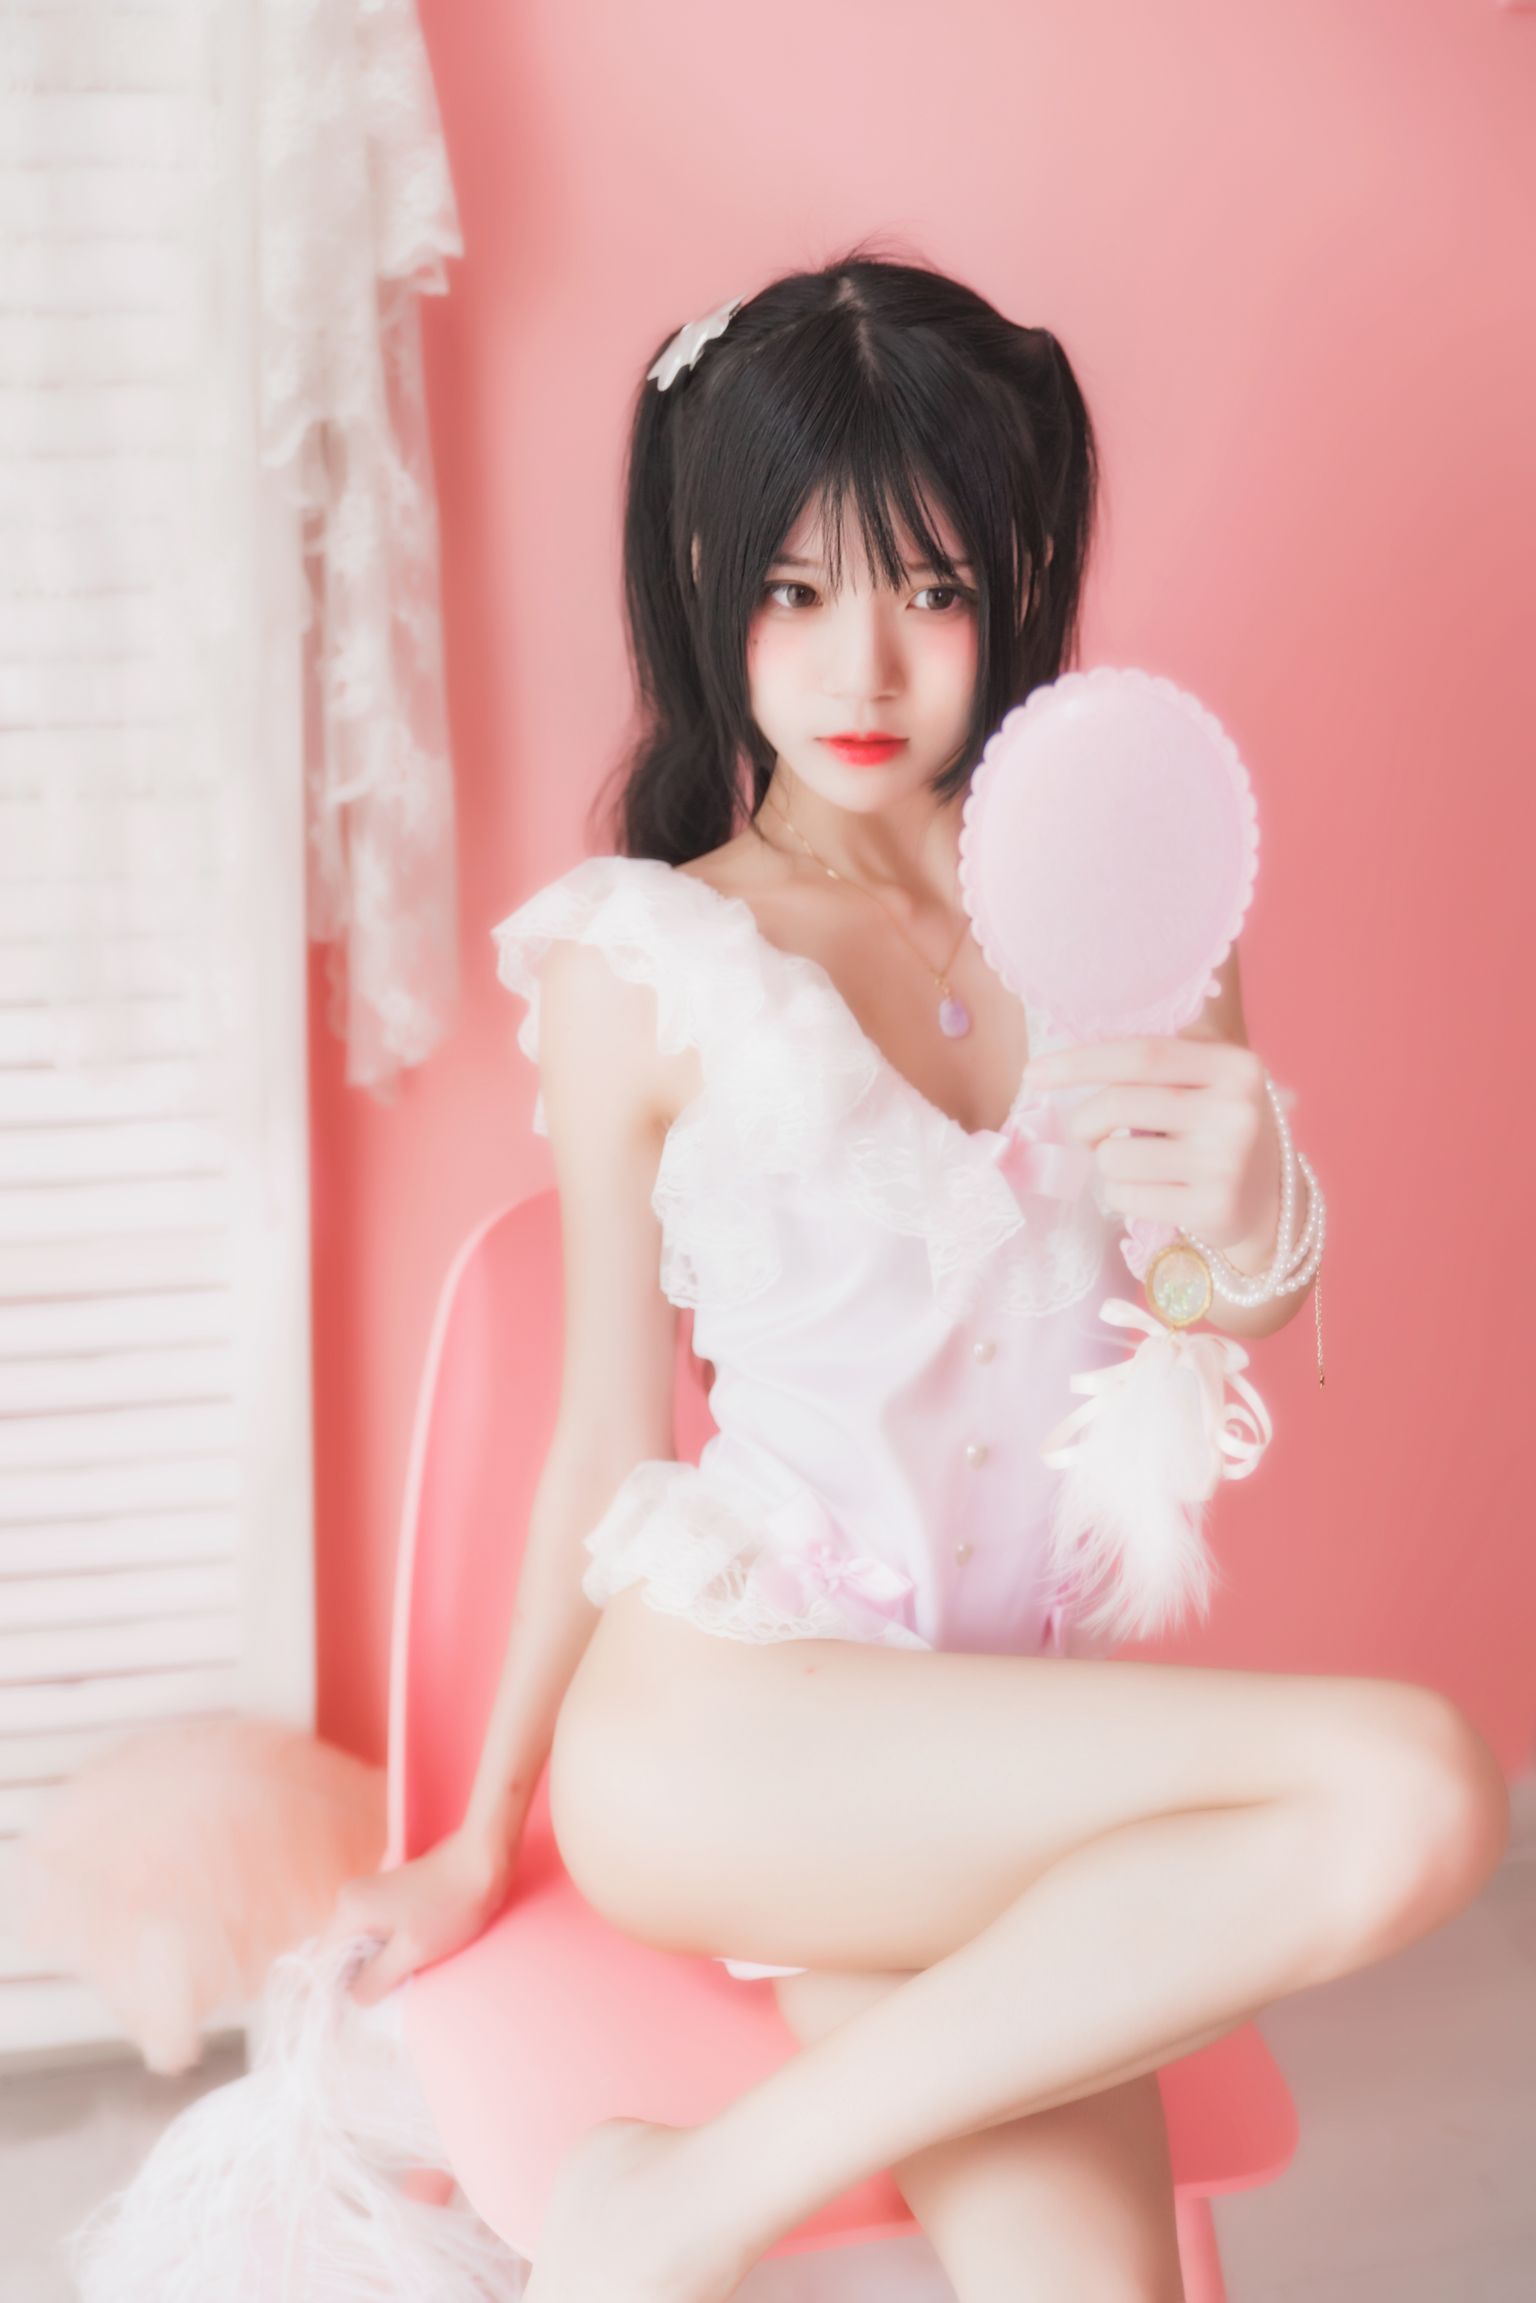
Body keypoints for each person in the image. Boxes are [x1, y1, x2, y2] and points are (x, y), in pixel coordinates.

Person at [330, 248, 1510, 2303]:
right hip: (730, 1738)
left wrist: (1258, 1213)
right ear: (705, 589)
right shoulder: (651, 961)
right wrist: (475, 1828)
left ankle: (677, 2201)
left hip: (987, 1752)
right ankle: (676, 2206)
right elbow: (605, 1442)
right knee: (1418, 1778)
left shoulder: (1126, 902)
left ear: (1016, 585)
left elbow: (1207, 1304)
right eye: (794, 593)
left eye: (931, 589)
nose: (860, 667)